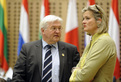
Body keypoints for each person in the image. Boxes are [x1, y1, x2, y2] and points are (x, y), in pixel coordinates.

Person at [12, 15, 80, 82]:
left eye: (59, 28)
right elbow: (18, 75)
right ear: (43, 30)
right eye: (53, 28)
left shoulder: (70, 50)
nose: (57, 31)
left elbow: (77, 76)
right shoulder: (28, 49)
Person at [69, 5, 116, 82]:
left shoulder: (103, 41)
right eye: (83, 18)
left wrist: (75, 71)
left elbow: (84, 76)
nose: (83, 21)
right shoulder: (92, 42)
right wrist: (79, 71)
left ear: (99, 21)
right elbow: (82, 71)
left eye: (87, 18)